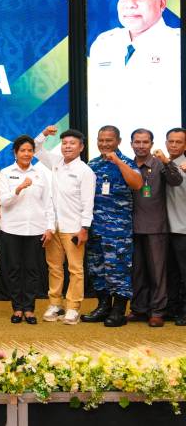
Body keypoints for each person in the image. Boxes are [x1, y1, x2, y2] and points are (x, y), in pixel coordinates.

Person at [88, 0, 179, 154]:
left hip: (160, 158)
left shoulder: (177, 45)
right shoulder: (104, 44)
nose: (130, 4)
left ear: (162, 2)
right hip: (109, 157)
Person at [34, 126, 96, 325]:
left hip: (74, 228)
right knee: (54, 267)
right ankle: (55, 304)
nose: (67, 146)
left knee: (75, 269)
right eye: (64, 143)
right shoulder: (56, 162)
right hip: (54, 227)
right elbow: (36, 149)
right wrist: (44, 134)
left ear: (81, 147)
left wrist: (84, 228)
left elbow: (88, 203)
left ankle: (73, 307)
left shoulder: (85, 171)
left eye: (72, 143)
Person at [82, 125, 143, 327]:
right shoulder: (92, 164)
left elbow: (137, 184)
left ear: (118, 141)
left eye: (109, 140)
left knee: (118, 269)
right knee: (97, 269)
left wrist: (117, 161)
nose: (104, 144)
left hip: (118, 230)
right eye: (101, 140)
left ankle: (118, 311)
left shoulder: (127, 162)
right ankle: (103, 307)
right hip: (95, 228)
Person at [0, 135, 54, 325]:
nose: (27, 154)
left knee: (32, 270)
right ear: (15, 153)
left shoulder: (40, 173)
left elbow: (48, 202)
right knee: (13, 269)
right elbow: (4, 201)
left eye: (30, 150)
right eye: (22, 150)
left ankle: (29, 309)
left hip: (36, 229)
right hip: (11, 228)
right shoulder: (6, 173)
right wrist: (19, 188)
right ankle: (17, 308)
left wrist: (50, 227)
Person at [128, 129, 181, 327]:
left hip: (156, 226)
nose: (141, 146)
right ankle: (139, 309)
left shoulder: (159, 163)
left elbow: (176, 181)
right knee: (137, 272)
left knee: (158, 272)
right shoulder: (127, 164)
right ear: (131, 144)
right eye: (137, 142)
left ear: (151, 144)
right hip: (131, 227)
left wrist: (167, 162)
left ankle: (158, 311)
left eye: (145, 142)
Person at [164, 128, 186, 325]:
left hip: (183, 229)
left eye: (178, 142)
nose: (173, 145)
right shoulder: (162, 165)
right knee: (171, 273)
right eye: (171, 141)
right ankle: (172, 309)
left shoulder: (183, 165)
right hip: (165, 229)